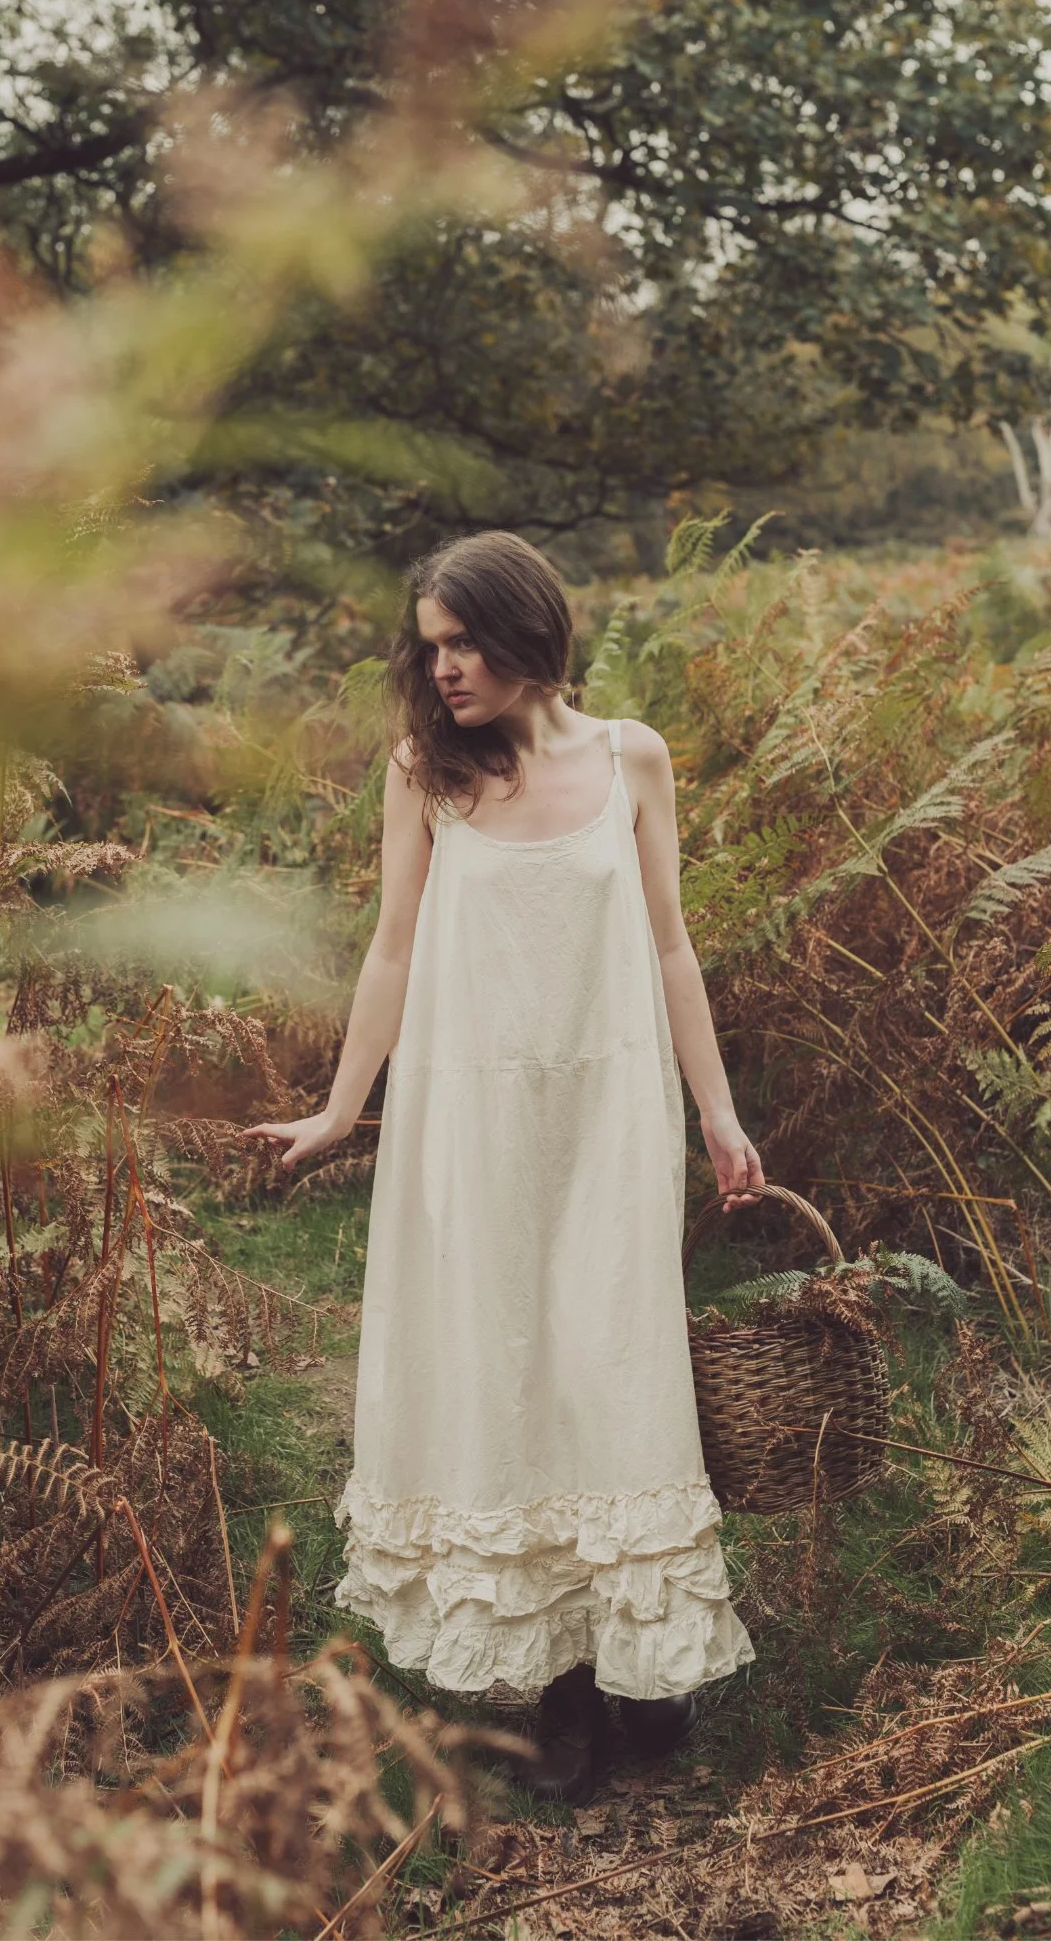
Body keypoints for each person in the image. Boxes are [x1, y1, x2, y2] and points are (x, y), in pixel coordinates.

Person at [244, 530, 761, 1802]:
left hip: (608, 1115)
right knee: (501, 1360)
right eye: (431, 647)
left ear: (529, 632)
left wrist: (719, 1111)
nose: (446, 667)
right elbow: (393, 952)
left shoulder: (630, 755)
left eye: (464, 640)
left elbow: (673, 947)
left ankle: (640, 1663)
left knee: (608, 1354)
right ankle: (554, 1690)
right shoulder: (425, 770)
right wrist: (335, 1111)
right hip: (465, 1121)